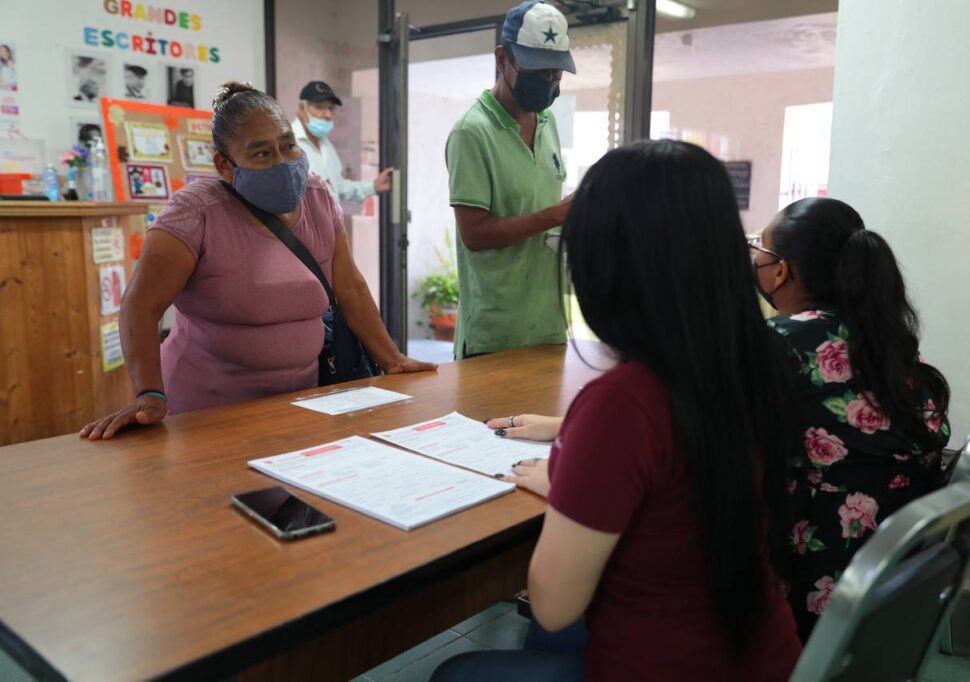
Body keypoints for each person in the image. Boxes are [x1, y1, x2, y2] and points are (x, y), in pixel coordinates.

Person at [432, 140, 803, 681]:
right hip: (762, 655)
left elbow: (554, 604)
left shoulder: (623, 403)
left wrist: (567, 483)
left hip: (667, 665)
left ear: (604, 265)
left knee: (458, 673)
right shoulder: (756, 361)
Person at [81, 81, 435, 440]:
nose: (282, 162)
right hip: (207, 413)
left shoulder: (318, 197)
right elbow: (141, 305)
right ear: (225, 165)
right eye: (262, 154)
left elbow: (350, 287)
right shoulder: (195, 211)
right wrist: (149, 393)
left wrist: (392, 358)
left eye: (288, 146)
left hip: (301, 403)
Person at [751, 197, 951, 640]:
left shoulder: (780, 340)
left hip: (811, 575)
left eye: (759, 252)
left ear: (780, 269)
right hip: (887, 568)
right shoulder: (883, 334)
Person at [446, 0, 575, 359]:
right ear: (502, 59)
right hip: (495, 334)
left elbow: (537, 203)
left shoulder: (547, 124)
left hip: (547, 326)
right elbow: (474, 234)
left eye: (556, 72)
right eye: (538, 71)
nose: (549, 82)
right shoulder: (472, 132)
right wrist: (554, 215)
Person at [291, 80, 392, 204]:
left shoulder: (326, 145)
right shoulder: (286, 144)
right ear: (302, 108)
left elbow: (338, 186)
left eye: (331, 108)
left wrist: (374, 186)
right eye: (320, 107)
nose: (328, 114)